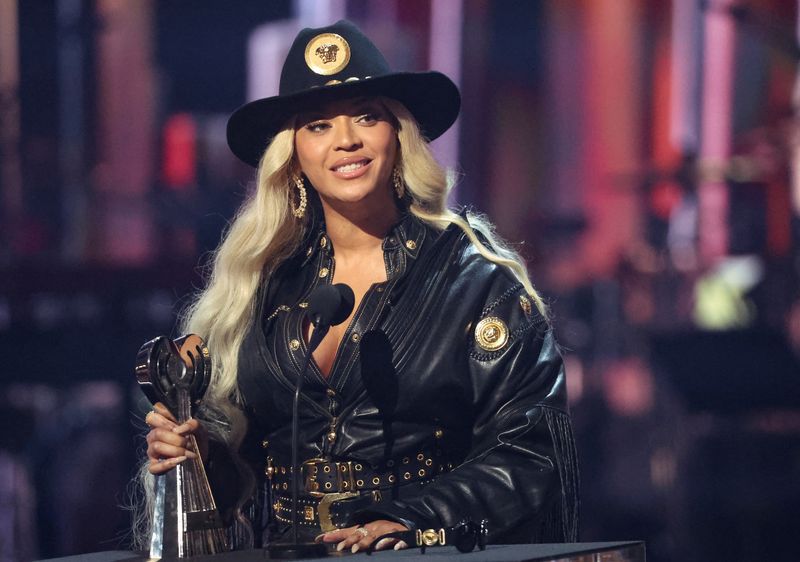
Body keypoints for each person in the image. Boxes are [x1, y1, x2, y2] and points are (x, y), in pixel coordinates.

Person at [141, 19, 578, 553]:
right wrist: (199, 455)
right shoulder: (260, 285)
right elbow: (249, 468)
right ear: (293, 153)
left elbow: (532, 454)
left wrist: (407, 521)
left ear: (397, 134)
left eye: (366, 116)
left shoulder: (478, 283)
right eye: (318, 125)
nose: (345, 140)